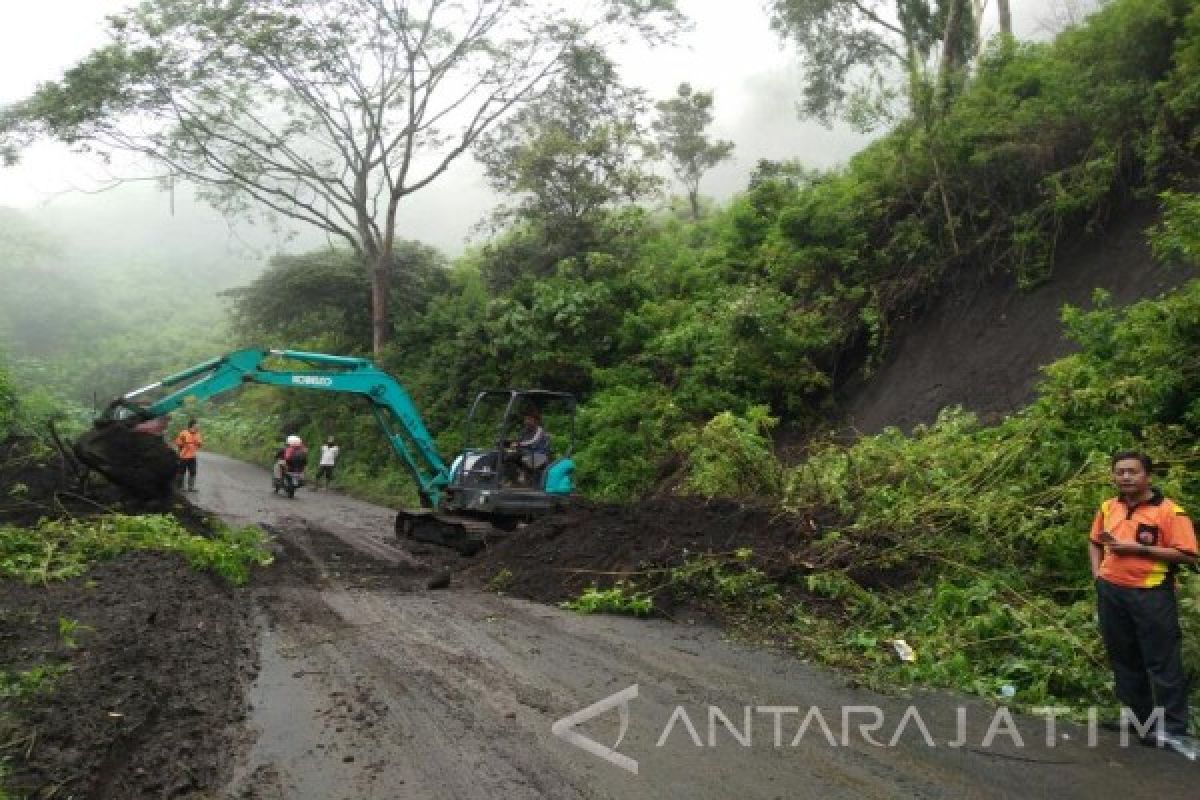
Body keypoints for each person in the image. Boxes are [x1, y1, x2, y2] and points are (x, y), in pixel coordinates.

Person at [1089, 450, 1198, 757]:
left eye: (1132, 472)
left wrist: (1139, 550)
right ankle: (1140, 720)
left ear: (1147, 475)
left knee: (1162, 660)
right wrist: (1098, 575)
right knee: (1124, 657)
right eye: (1120, 472)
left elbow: (1188, 554)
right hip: (1111, 591)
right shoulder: (1108, 507)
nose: (1125, 477)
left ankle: (1174, 729)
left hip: (1151, 593)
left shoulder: (1169, 512)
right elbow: (1095, 540)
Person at [505, 412, 550, 486]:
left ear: (536, 421)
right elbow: (519, 440)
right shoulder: (524, 431)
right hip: (527, 453)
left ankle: (521, 477)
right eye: (526, 419)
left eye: (529, 419)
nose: (527, 421)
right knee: (507, 456)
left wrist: (518, 444)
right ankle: (513, 479)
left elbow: (533, 441)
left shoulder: (540, 431)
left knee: (515, 454)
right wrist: (509, 443)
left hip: (538, 455)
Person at [173, 419, 203, 492]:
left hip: (192, 456)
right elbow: (178, 443)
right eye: (197, 424)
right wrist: (179, 453)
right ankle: (179, 487)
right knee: (181, 471)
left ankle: (191, 487)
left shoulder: (197, 434)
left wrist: (197, 443)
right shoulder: (184, 433)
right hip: (183, 456)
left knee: (193, 471)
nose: (198, 426)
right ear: (193, 425)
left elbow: (199, 444)